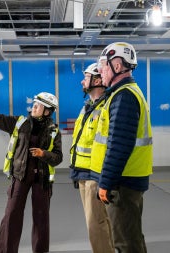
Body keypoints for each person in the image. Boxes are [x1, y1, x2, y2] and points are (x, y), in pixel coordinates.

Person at [0, 83, 63, 253]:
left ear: (47, 111)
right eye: (34, 103)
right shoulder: (19, 123)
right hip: (20, 175)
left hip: (42, 179)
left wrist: (43, 154)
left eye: (38, 105)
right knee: (11, 216)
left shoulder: (54, 131)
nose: (34, 106)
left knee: (41, 220)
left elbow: (58, 158)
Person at [92, 42, 153, 253]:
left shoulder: (124, 97)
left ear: (117, 66)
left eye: (103, 65)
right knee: (130, 238)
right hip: (125, 180)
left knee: (126, 243)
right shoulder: (122, 94)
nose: (100, 70)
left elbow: (119, 146)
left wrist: (105, 183)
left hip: (123, 184)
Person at [69, 63, 115, 252]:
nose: (82, 81)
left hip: (94, 175)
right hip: (83, 172)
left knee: (95, 225)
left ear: (96, 80)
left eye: (86, 77)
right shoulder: (88, 107)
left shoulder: (105, 107)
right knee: (98, 222)